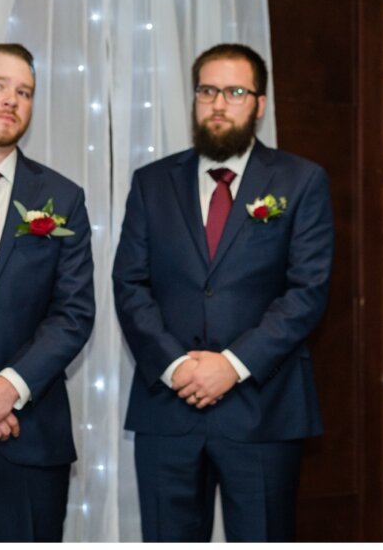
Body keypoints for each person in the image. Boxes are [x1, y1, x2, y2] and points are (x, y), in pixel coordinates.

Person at [112, 43, 334, 541]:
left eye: (235, 92)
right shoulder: (152, 183)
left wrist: (230, 366)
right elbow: (130, 284)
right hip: (168, 407)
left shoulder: (301, 181)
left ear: (259, 103)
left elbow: (307, 291)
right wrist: (177, 367)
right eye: (208, 90)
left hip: (264, 409)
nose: (218, 103)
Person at [0, 43, 95, 541]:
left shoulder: (62, 198)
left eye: (25, 92)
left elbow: (73, 313)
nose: (12, 99)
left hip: (31, 437)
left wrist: (9, 388)